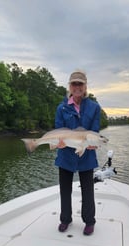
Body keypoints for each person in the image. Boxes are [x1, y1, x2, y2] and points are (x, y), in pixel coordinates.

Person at [55, 70, 101, 235]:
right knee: (64, 190)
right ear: (70, 86)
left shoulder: (95, 107)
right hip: (66, 154)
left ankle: (89, 221)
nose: (77, 87)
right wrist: (58, 143)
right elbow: (59, 128)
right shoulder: (61, 108)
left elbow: (94, 130)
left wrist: (93, 143)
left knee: (88, 190)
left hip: (86, 155)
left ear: (85, 86)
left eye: (80, 83)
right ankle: (65, 219)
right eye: (74, 83)